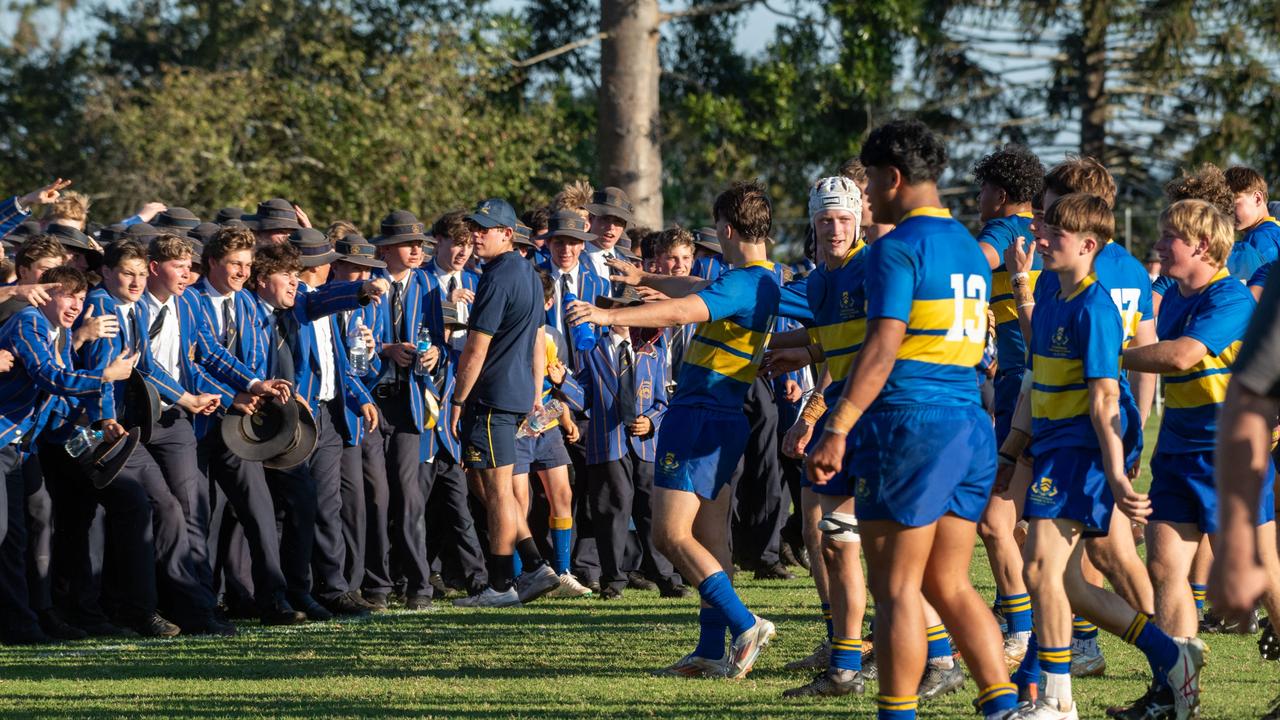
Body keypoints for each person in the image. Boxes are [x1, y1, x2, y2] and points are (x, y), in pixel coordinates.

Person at [805, 120, 1014, 720]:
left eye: (869, 181)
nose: (866, 193)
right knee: (947, 584)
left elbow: (882, 347)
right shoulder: (970, 247)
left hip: (909, 426)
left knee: (897, 589)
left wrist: (838, 424)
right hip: (969, 424)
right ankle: (1001, 708)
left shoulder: (895, 249)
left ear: (892, 178)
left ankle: (896, 713)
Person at [568, 180, 781, 680]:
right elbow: (695, 289)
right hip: (726, 418)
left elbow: (688, 309)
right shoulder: (762, 279)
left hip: (698, 413)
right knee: (711, 537)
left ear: (727, 228)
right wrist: (647, 276)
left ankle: (744, 623)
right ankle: (710, 651)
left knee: (667, 534)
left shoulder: (744, 279)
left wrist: (605, 314)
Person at [1006, 194, 1204, 720]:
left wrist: (1116, 473)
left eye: (1056, 235)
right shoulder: (1050, 294)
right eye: (1044, 229)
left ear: (1088, 246)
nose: (1042, 239)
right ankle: (1171, 656)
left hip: (1080, 452)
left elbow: (1104, 399)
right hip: (1049, 448)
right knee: (1070, 582)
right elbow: (1036, 372)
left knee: (1040, 570)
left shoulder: (1095, 308)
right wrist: (1012, 451)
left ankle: (1056, 700)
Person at [1122, 199, 1278, 717]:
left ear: (1201, 246)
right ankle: (1174, 692)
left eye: (1170, 237)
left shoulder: (1231, 298)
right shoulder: (1172, 294)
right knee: (1165, 567)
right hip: (1177, 450)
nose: (1160, 244)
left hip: (1230, 455)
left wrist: (1103, 354)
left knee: (1266, 571)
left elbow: (1182, 355)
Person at [766, 176, 872, 697]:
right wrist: (801, 353)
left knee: (883, 546)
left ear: (858, 220)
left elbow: (881, 348)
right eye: (825, 220)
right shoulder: (818, 281)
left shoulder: (871, 267)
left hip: (873, 420)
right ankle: (845, 662)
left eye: (843, 219)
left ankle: (932, 654)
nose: (834, 229)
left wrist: (814, 409)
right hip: (840, 419)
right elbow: (832, 341)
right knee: (832, 539)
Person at [187, 227, 307, 625]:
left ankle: (273, 600)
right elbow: (198, 360)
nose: (240, 272)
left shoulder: (252, 307)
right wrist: (237, 390)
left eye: (246, 265)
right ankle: (204, 605)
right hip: (197, 424)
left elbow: (259, 363)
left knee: (258, 511)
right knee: (201, 517)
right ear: (212, 263)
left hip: (242, 428)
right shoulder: (190, 300)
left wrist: (269, 391)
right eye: (233, 264)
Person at [450, 198, 556, 608]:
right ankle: (533, 563)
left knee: (495, 490)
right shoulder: (528, 273)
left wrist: (458, 399)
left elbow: (476, 348)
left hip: (492, 396)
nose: (476, 234)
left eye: (485, 228)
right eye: (475, 226)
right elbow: (534, 339)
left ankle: (499, 584)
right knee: (484, 481)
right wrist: (531, 391)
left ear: (507, 234)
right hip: (510, 395)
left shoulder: (498, 275)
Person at [970, 144, 1045, 672]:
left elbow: (974, 263)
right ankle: (1030, 619)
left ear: (998, 193)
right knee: (1019, 520)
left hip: (1025, 388)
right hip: (1035, 385)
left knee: (996, 520)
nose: (977, 200)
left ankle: (1024, 628)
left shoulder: (1003, 231)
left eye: (980, 190)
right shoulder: (1040, 229)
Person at [367, 211, 442, 610]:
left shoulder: (428, 285)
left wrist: (434, 356)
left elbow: (442, 344)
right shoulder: (370, 285)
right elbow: (351, 342)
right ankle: (377, 585)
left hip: (411, 402)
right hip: (371, 401)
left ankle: (418, 585)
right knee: (376, 496)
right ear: (385, 249)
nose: (417, 251)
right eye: (408, 244)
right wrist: (385, 350)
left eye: (421, 245)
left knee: (410, 496)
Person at [1226, 166, 1280, 264]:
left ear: (1257, 199)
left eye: (1233, 203)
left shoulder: (1260, 238)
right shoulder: (1273, 232)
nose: (1228, 210)